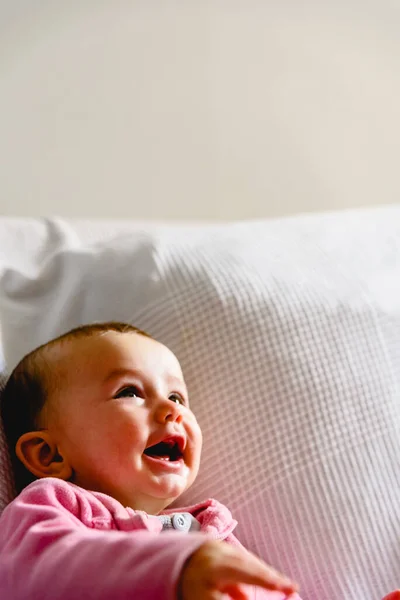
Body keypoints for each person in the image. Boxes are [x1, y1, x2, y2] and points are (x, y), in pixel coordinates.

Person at [0, 322, 397, 600]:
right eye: (130, 392)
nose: (171, 411)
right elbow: (34, 574)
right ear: (49, 454)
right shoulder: (51, 508)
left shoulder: (212, 534)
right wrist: (172, 569)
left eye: (176, 397)